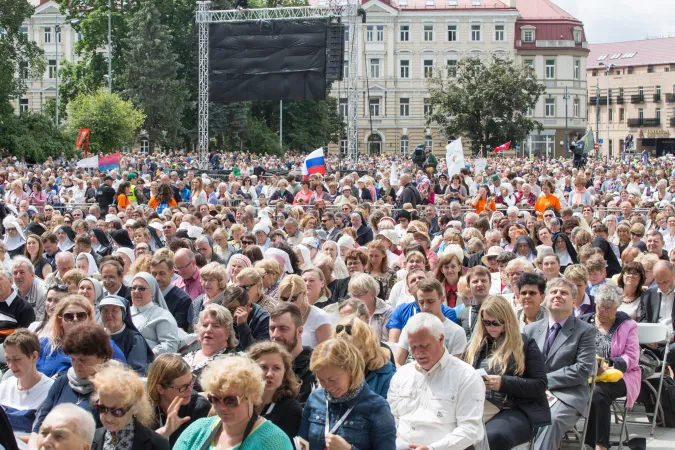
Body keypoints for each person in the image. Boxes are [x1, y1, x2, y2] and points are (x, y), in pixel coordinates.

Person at [388, 313, 486, 450]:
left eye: (423, 346)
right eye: (413, 347)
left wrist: (433, 448)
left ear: (441, 340)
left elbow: (471, 430)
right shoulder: (402, 375)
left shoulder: (466, 376)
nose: (417, 353)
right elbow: (391, 417)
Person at [464, 296, 550, 449]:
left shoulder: (525, 344)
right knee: (455, 432)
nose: (491, 327)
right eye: (486, 322)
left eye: (496, 323)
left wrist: (503, 383)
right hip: (479, 405)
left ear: (507, 320)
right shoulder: (475, 345)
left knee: (491, 437)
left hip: (515, 408)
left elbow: (540, 385)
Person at [523, 277, 596, 450]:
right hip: (533, 393)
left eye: (564, 293)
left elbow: (582, 369)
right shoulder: (531, 329)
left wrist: (542, 381)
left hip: (567, 394)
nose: (557, 296)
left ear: (574, 300)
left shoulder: (585, 331)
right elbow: (521, 364)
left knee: (550, 421)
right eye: (553, 292)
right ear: (545, 298)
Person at [173, 355, 293, 450]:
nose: (221, 407)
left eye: (230, 400)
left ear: (252, 396)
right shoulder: (197, 430)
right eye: (214, 399)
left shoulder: (274, 441)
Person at [299, 338, 396, 449]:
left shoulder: (377, 407)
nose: (327, 386)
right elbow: (302, 443)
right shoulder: (315, 399)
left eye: (332, 379)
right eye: (321, 379)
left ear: (351, 370)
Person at [29, 323, 114, 448]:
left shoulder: (111, 389)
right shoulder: (62, 382)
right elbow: (38, 429)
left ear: (102, 357)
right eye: (73, 359)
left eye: (83, 360)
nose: (77, 365)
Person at [579, 283, 641, 450]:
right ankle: (587, 442)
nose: (605, 312)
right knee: (593, 391)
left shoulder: (628, 325)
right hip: (587, 374)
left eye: (610, 308)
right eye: (601, 307)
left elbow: (632, 357)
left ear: (617, 307)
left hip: (621, 375)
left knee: (598, 394)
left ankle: (600, 445)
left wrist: (611, 364)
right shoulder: (583, 323)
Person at [36, 295, 126, 377]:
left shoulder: (104, 344)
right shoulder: (43, 345)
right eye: (69, 316)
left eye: (81, 315)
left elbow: (122, 375)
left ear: (89, 318)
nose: (75, 319)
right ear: (60, 321)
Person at [89, 363, 170, 450]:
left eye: (117, 411)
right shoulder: (92, 438)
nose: (108, 417)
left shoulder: (156, 444)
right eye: (102, 408)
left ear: (135, 408)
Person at [395, 278, 467, 366]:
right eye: (421, 302)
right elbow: (398, 362)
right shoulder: (410, 327)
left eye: (430, 302)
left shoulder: (456, 332)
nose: (425, 307)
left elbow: (455, 367)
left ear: (442, 299)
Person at [145, 354, 211, 447]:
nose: (190, 390)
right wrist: (164, 432)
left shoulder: (199, 408)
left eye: (191, 382)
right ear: (160, 389)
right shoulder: (146, 409)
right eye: (183, 387)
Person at [0, 329, 54, 433]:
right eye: (8, 359)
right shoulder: (4, 386)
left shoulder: (50, 391)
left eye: (17, 359)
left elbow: (40, 436)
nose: (11, 365)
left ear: (34, 356)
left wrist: (8, 440)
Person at [248, 341, 303, 440]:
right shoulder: (241, 401)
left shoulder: (291, 410)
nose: (269, 374)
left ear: (285, 372)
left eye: (276, 368)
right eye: (263, 367)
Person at [333, 316, 396, 398]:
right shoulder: (331, 370)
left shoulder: (386, 375)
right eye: (340, 350)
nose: (345, 356)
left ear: (367, 348)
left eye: (352, 350)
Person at [183, 304, 240, 388]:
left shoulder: (231, 362)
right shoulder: (188, 355)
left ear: (228, 333)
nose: (208, 330)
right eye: (204, 325)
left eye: (216, 326)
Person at [268, 302, 315, 405]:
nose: (275, 335)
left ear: (299, 331)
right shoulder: (265, 365)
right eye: (272, 329)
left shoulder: (314, 367)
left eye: (283, 329)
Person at [98, 295, 154, 375]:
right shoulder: (96, 337)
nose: (109, 315)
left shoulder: (134, 339)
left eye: (114, 310)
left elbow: (136, 372)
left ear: (123, 314)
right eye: (105, 310)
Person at [130, 272, 180, 356]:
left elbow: (170, 345)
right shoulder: (123, 312)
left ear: (152, 291)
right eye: (133, 288)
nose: (136, 291)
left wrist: (148, 355)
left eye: (142, 288)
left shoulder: (162, 316)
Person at [277, 275, 331, 349]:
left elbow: (326, 352)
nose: (288, 303)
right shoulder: (278, 315)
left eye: (293, 298)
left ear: (304, 293)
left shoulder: (320, 316)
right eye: (284, 299)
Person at [639, 260, 675, 368]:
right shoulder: (648, 295)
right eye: (659, 282)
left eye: (666, 281)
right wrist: (647, 338)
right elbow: (643, 320)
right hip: (654, 341)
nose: (663, 286)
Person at [150, 251, 191, 332]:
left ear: (171, 273)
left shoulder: (183, 300)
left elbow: (178, 330)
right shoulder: (146, 294)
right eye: (154, 274)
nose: (157, 278)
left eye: (162, 273)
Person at [220, 286, 270, 351]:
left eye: (232, 310)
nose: (228, 314)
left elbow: (256, 352)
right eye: (226, 310)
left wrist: (242, 325)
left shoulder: (264, 320)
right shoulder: (225, 316)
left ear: (248, 304)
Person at [347, 272, 392, 341]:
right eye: (353, 295)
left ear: (372, 293)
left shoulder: (387, 311)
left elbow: (386, 341)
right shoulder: (348, 311)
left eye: (359, 295)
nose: (356, 299)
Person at [189, 261, 229, 330]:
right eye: (204, 279)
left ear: (220, 282)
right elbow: (190, 328)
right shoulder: (197, 302)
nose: (207, 283)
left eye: (211, 280)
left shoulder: (228, 301)